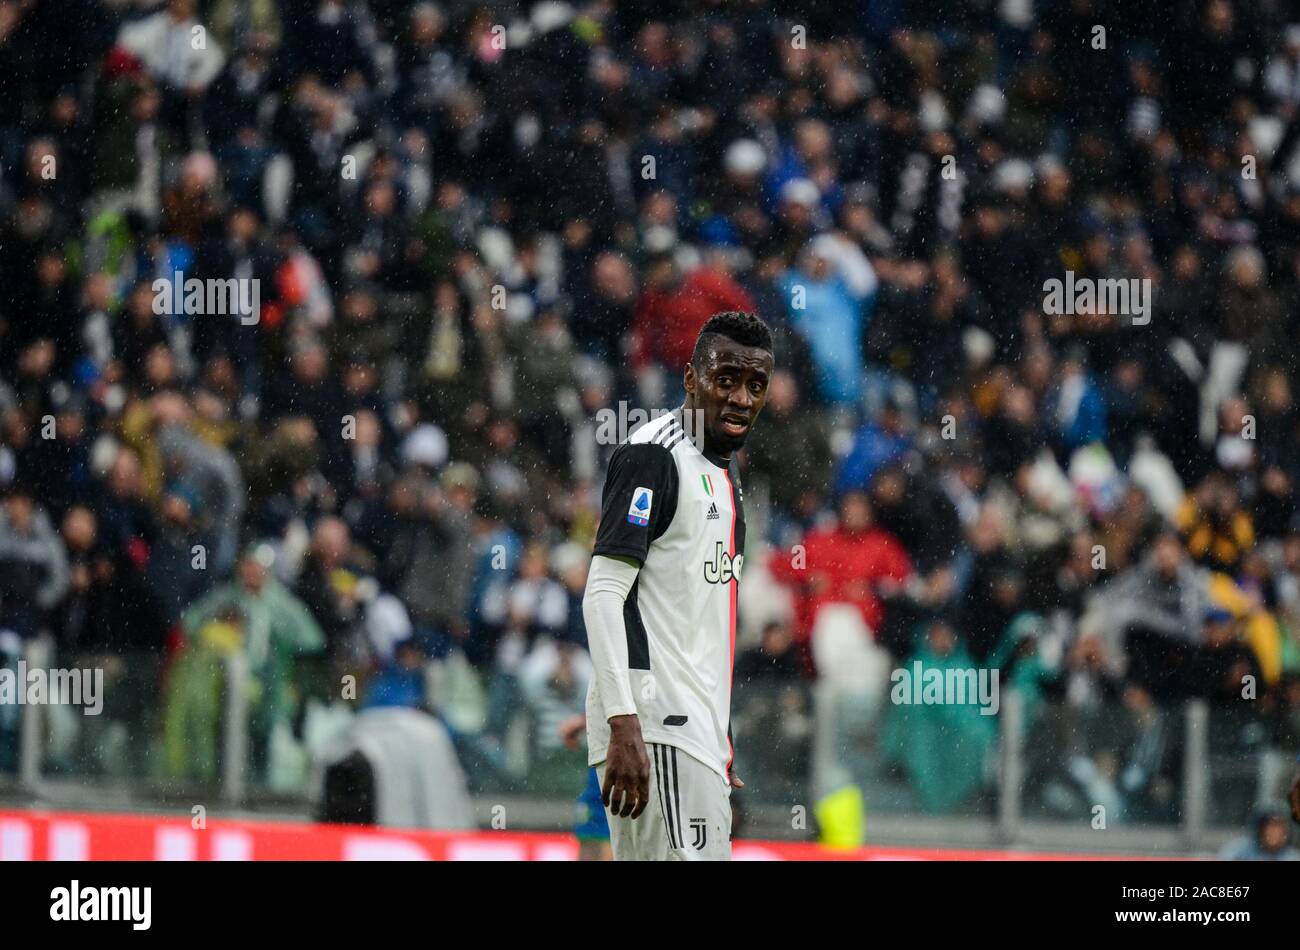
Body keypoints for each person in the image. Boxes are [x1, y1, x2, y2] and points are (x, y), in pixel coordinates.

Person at [583, 310, 773, 861]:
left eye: (755, 385)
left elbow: (695, 620)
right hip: (656, 726)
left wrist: (721, 744)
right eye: (726, 379)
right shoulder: (653, 456)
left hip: (695, 737)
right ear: (691, 380)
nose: (740, 397)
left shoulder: (725, 474)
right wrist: (622, 720)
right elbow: (603, 594)